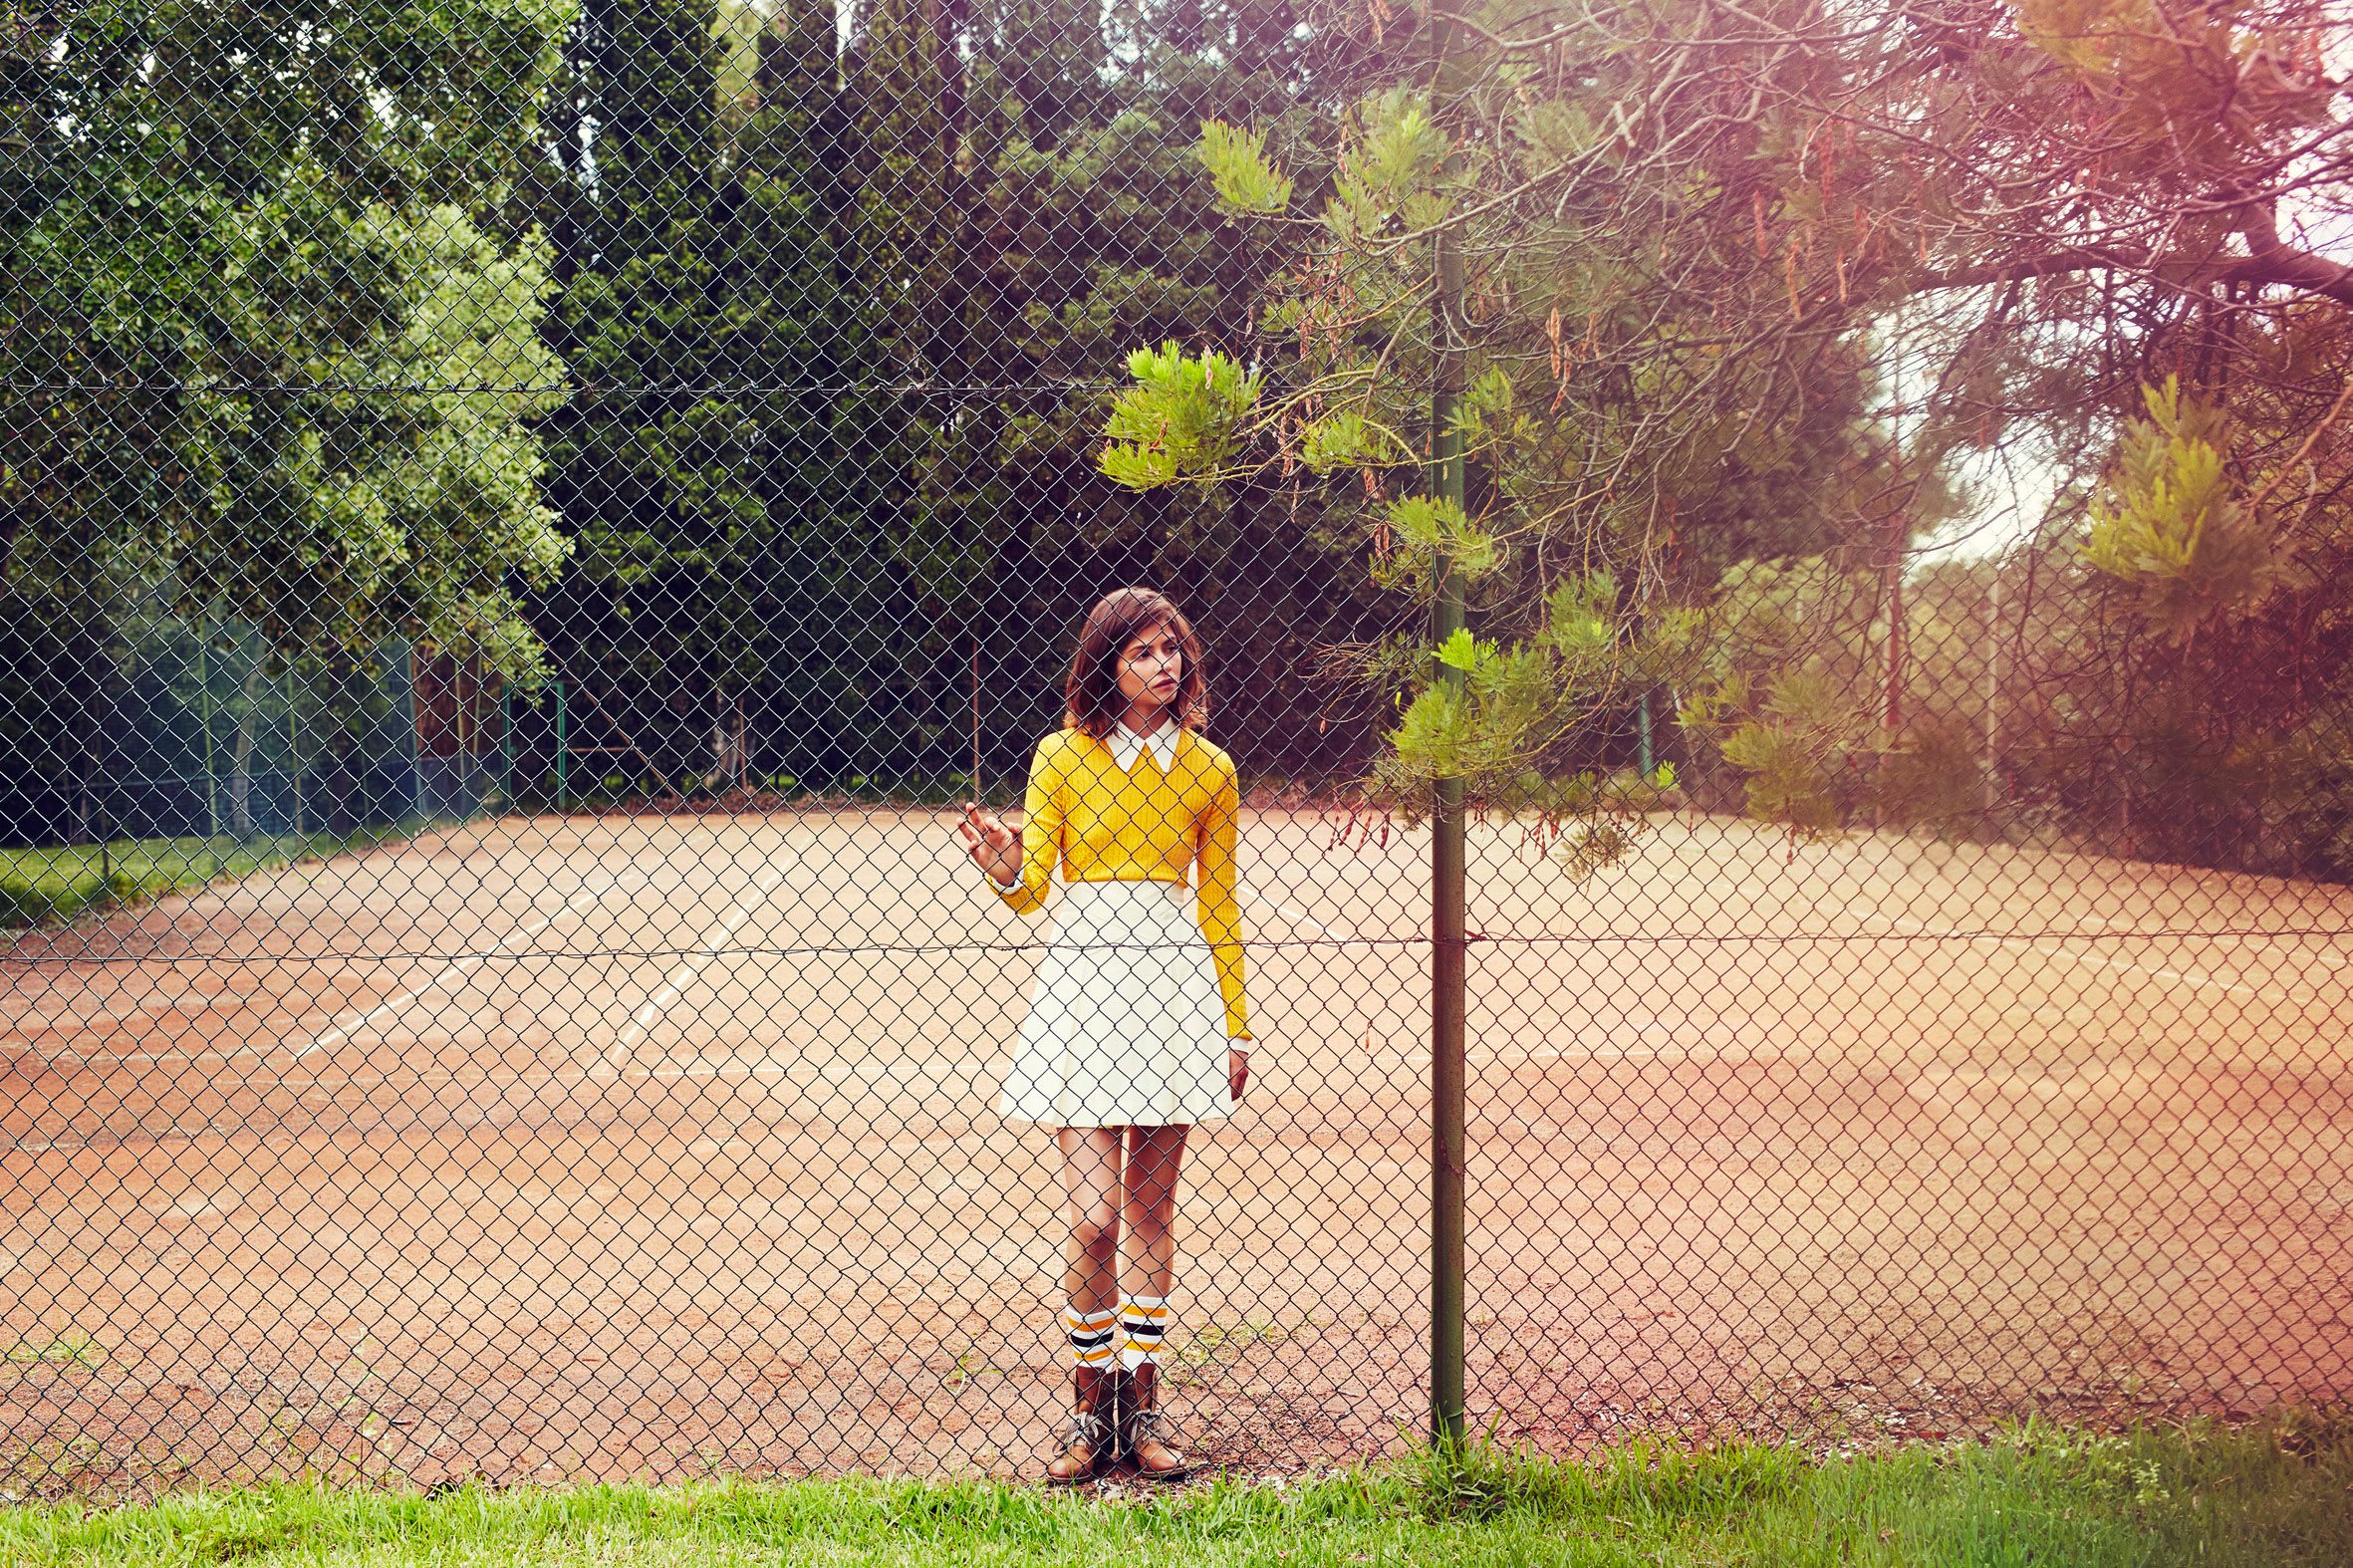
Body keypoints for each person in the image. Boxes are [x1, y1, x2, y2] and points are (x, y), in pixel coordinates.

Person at [954, 587, 1253, 1484]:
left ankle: (1142, 1403)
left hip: (1174, 992)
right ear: (1107, 665)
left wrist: (1236, 1028)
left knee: (1152, 1213)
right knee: (1093, 1221)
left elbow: (1219, 902)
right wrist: (1005, 869)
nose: (1165, 665)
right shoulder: (1061, 755)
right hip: (1083, 988)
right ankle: (1089, 1406)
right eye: (1143, 652)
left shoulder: (1210, 770)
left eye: (1173, 649)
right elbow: (1034, 888)